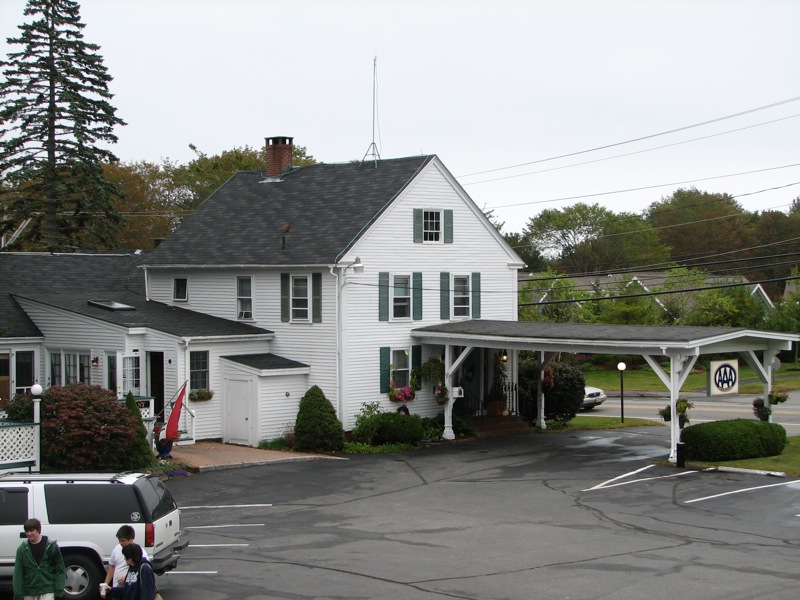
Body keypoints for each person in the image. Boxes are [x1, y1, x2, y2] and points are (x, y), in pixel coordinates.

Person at [13, 518, 66, 600]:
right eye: (27, 531)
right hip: (29, 589)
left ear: (38, 530)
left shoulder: (51, 546)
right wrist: (18, 594)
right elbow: (18, 572)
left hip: (48, 588)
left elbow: (60, 569)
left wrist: (59, 590)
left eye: (31, 531)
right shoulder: (22, 549)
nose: (29, 534)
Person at [104, 526, 149, 595]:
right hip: (116, 589)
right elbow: (112, 566)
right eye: (119, 540)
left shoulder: (140, 552)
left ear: (131, 539)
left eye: (123, 540)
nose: (120, 543)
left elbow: (141, 572)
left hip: (131, 590)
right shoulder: (117, 548)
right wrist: (105, 584)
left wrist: (126, 578)